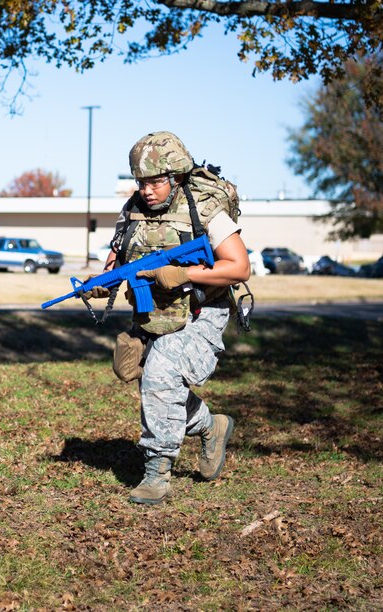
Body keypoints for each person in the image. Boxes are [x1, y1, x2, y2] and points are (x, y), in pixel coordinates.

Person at [87, 131, 251, 505]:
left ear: (176, 176)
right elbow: (119, 260)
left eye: (156, 181)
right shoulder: (132, 210)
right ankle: (212, 427)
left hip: (201, 310)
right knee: (156, 385)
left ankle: (156, 473)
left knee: (160, 375)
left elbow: (239, 267)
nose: (147, 190)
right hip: (153, 312)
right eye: (141, 181)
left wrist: (185, 274)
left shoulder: (206, 208)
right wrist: (99, 284)